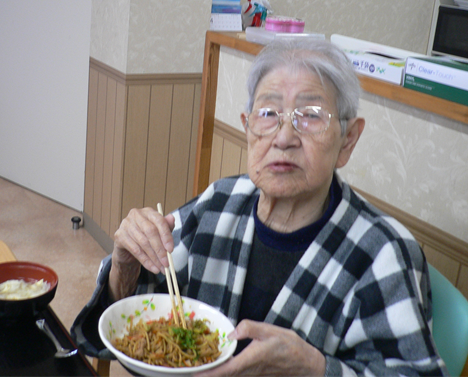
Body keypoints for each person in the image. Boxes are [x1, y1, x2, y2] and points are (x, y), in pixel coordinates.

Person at [71, 39, 448, 377]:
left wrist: (317, 369)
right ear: (247, 127)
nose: (284, 137)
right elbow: (135, 312)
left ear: (348, 140)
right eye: (268, 114)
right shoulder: (219, 203)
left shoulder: (383, 253)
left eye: (311, 115)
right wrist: (125, 263)